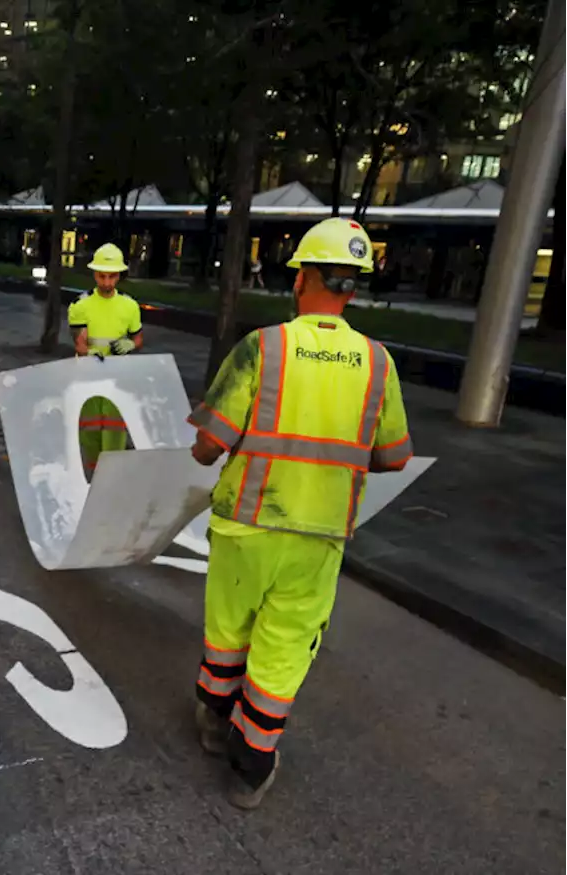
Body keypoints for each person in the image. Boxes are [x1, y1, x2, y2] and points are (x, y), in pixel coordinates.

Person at [186, 217, 413, 809]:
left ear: (301, 278)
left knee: (229, 628)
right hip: (319, 534)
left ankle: (212, 718)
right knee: (285, 642)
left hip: (245, 523)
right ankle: (252, 762)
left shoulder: (264, 348)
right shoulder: (379, 363)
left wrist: (219, 443)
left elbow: (209, 446)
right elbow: (394, 458)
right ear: (352, 288)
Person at [66, 243, 143, 477]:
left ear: (119, 275)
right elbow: (79, 344)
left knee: (115, 433)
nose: (107, 282)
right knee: (89, 435)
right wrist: (87, 353)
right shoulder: (81, 306)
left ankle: (111, 480)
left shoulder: (130, 306)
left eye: (112, 276)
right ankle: (91, 481)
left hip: (118, 379)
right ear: (94, 274)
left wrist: (131, 344)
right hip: (88, 377)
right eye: (102, 276)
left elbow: (138, 338)